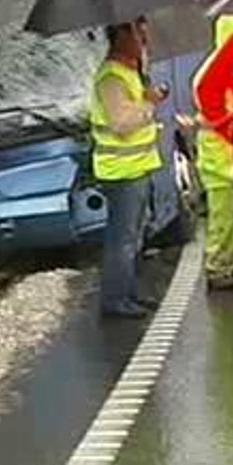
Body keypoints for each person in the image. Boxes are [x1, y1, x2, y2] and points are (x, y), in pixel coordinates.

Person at [89, 17, 167, 318]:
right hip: (121, 171)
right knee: (122, 240)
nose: (145, 37)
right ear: (120, 34)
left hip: (137, 167)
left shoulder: (130, 72)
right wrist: (150, 105)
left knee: (133, 237)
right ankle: (115, 300)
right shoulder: (112, 78)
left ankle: (129, 293)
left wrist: (147, 95)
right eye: (138, 31)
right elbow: (122, 124)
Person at [193, 14, 233, 291]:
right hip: (224, 158)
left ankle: (231, 263)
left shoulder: (218, 65)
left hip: (229, 157)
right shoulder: (229, 66)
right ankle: (219, 268)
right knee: (226, 220)